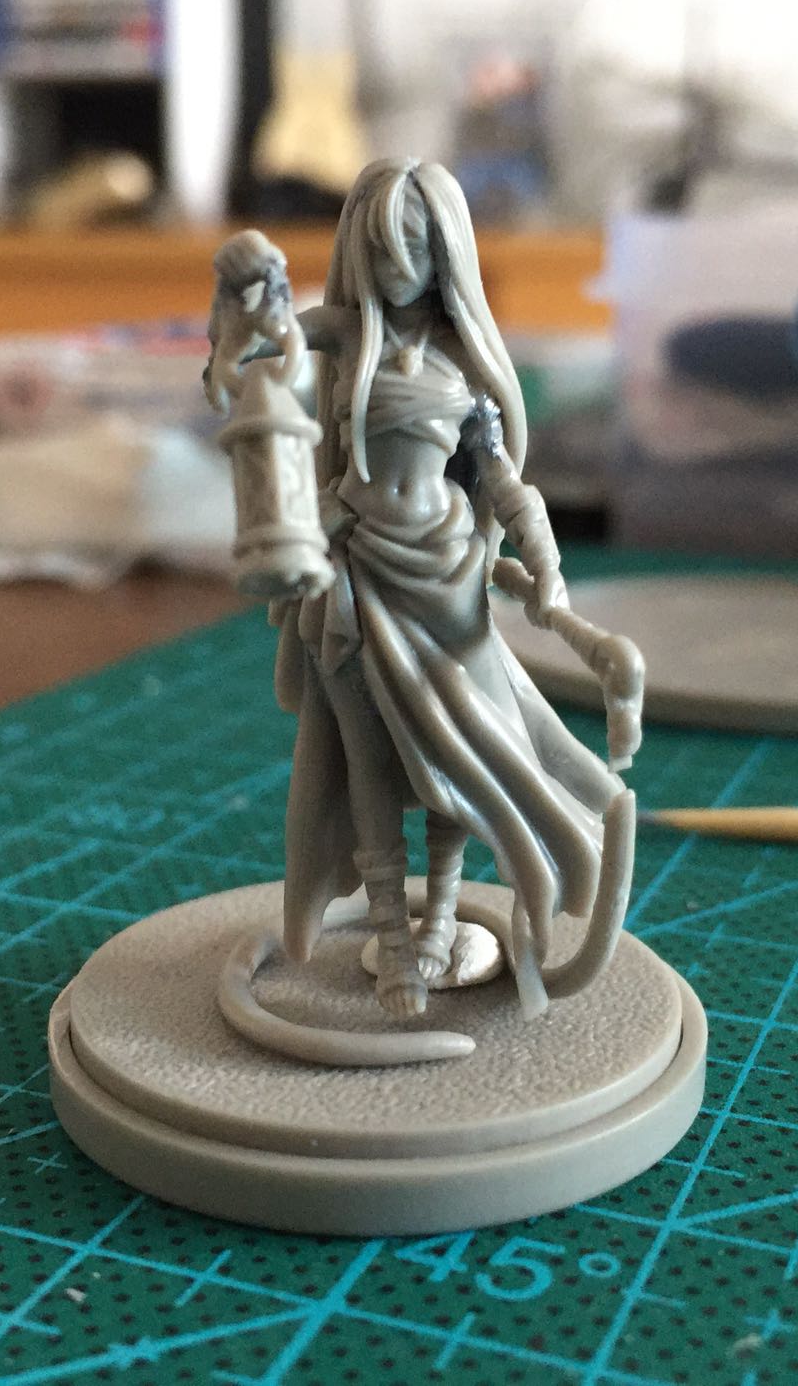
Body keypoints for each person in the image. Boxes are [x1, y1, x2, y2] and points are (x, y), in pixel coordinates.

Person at [205, 158, 631, 1022]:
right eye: (381, 247)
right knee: (368, 761)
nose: (397, 266)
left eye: (415, 246)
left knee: (458, 754)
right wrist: (242, 294)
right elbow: (242, 363)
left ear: (445, 249)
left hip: (448, 581)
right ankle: (395, 936)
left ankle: (441, 916)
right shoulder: (342, 334)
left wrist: (546, 570)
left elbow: (504, 480)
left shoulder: (464, 357)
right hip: (355, 573)